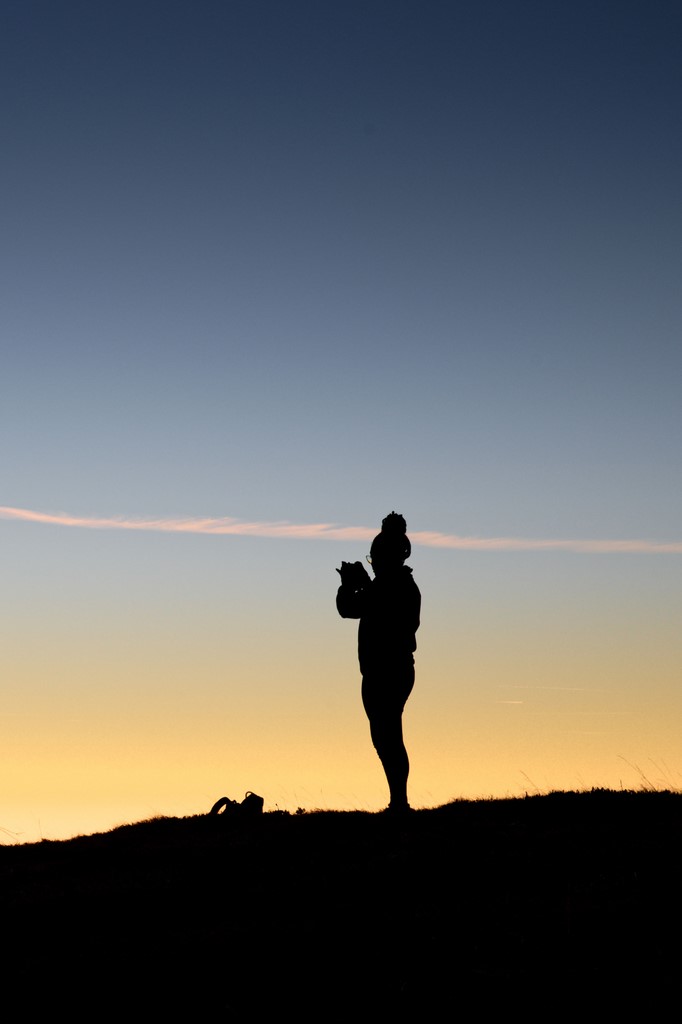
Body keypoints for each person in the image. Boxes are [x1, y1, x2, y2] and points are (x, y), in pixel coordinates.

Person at [336, 512, 421, 813]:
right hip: (386, 670)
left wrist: (352, 584)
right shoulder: (397, 586)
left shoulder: (392, 587)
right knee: (385, 737)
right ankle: (398, 800)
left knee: (388, 737)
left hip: (387, 671)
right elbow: (357, 606)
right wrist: (362, 584)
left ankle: (400, 802)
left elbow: (348, 608)